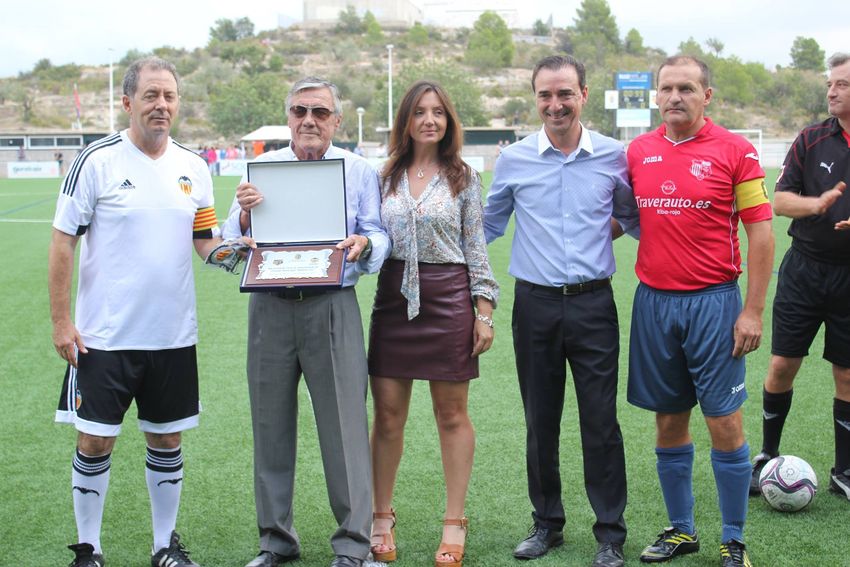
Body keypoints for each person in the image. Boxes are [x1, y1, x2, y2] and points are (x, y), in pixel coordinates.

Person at [49, 57, 246, 567]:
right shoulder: (96, 161)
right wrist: (60, 321)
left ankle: (165, 547)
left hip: (172, 335)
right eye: (152, 95)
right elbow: (63, 240)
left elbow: (206, 242)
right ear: (128, 102)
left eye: (170, 97)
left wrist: (242, 249)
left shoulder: (193, 166)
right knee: (94, 441)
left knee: (167, 437)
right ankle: (88, 549)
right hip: (104, 337)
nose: (162, 105)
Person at [221, 77, 390, 567]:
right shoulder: (264, 170)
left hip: (331, 306)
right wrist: (247, 220)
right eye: (300, 111)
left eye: (320, 111)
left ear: (337, 119)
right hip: (269, 306)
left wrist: (363, 245)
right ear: (288, 117)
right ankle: (276, 540)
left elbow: (377, 234)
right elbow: (233, 239)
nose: (309, 120)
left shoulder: (359, 170)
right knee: (270, 423)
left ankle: (353, 545)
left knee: (344, 426)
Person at [484, 54, 638, 567]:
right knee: (540, 421)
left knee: (600, 422)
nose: (555, 104)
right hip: (535, 306)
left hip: (594, 304)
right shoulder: (514, 160)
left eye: (565, 94)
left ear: (584, 96)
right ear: (536, 99)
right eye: (546, 95)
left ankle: (610, 533)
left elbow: (631, 217)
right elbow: (486, 227)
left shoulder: (615, 156)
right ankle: (547, 523)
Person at [626, 55, 774, 567]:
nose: (674, 98)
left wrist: (752, 310)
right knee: (669, 421)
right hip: (654, 304)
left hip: (714, 303)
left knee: (725, 423)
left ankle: (733, 539)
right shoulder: (638, 151)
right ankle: (681, 531)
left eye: (686, 88)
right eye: (666, 89)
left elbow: (761, 232)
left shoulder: (737, 150)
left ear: (706, 95)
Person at [367, 80, 498, 567]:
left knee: (451, 415)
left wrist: (482, 311)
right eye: (420, 111)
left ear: (449, 121)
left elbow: (476, 247)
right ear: (406, 119)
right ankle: (381, 517)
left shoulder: (464, 176)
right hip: (393, 300)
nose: (429, 120)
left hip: (448, 299)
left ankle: (454, 521)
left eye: (438, 112)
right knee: (387, 417)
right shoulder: (385, 176)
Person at [749, 52, 850, 500]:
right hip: (804, 271)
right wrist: (817, 205)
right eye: (831, 83)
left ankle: (844, 470)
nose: (831, 91)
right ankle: (767, 456)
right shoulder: (811, 139)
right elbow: (780, 201)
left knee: (847, 374)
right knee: (782, 363)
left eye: (842, 84)